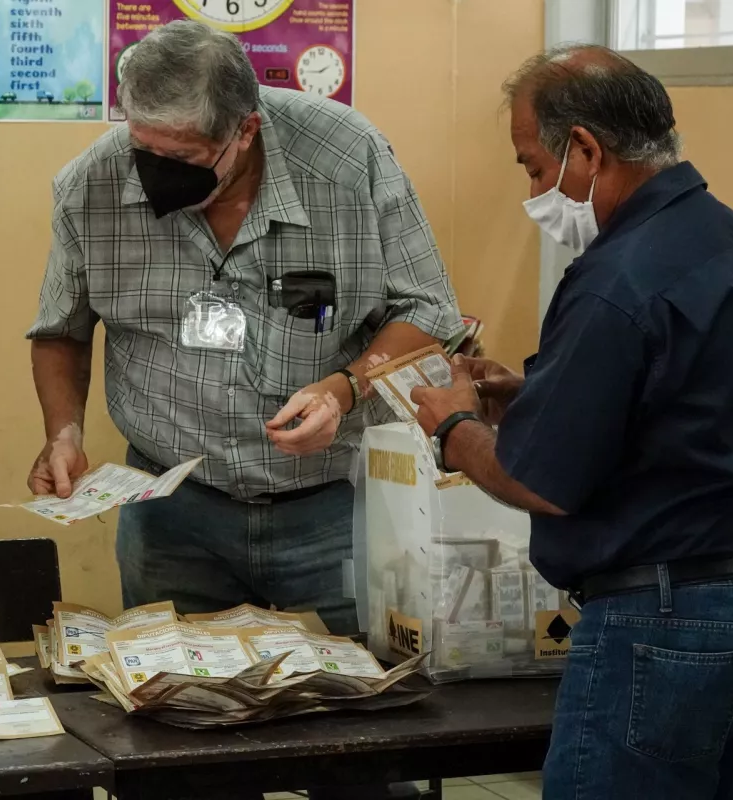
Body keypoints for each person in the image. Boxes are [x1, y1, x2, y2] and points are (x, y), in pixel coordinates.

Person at [411, 45, 733, 798]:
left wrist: (455, 427)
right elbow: (704, 403)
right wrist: (538, 394)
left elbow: (538, 481)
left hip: (666, 621)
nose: (534, 192)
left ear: (585, 149)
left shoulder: (618, 278)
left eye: (532, 168)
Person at [27, 19, 460, 637]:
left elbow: (428, 311)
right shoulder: (90, 187)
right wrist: (62, 433)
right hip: (169, 512)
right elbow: (61, 330)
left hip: (334, 504)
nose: (156, 172)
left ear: (246, 130)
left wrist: (343, 390)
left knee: (359, 683)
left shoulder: (347, 158)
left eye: (182, 158)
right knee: (180, 689)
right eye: (142, 150)